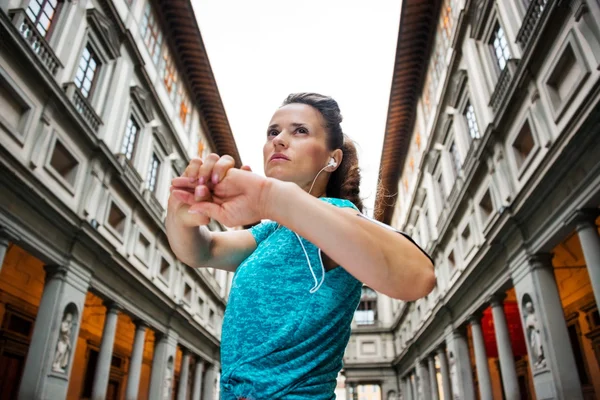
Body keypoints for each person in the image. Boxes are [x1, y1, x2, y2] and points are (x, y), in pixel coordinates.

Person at [167, 93, 435, 399]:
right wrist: (181, 211)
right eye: (273, 131)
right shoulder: (272, 231)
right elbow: (202, 250)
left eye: (300, 131)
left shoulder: (338, 214)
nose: (279, 140)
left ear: (332, 158)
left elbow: (419, 276)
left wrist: (271, 198)